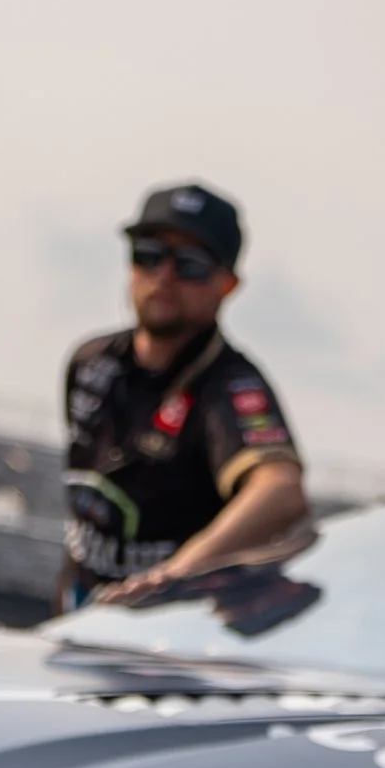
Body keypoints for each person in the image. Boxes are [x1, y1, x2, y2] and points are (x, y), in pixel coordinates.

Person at [59, 181, 308, 608]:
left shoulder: (228, 385)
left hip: (168, 631)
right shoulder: (89, 361)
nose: (164, 276)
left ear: (227, 284)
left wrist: (169, 577)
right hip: (79, 611)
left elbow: (280, 489)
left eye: (190, 264)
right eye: (148, 255)